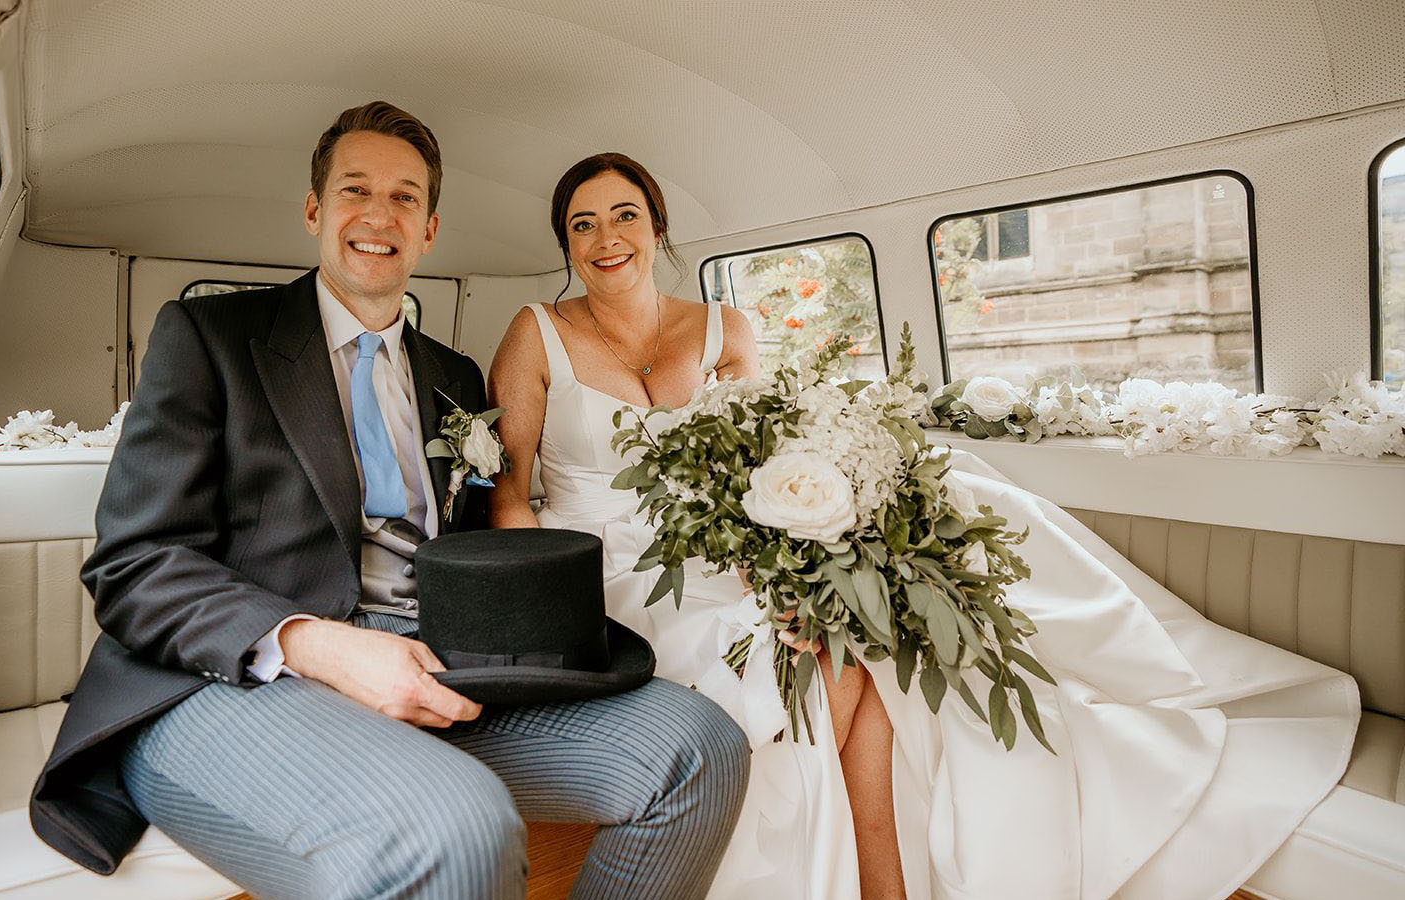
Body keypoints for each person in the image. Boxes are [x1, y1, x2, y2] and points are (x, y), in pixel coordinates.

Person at [486, 152, 1360, 899]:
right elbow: (512, 494)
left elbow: (762, 462)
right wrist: (550, 610)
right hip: (600, 562)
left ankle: (882, 878)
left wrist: (780, 564)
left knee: (859, 652)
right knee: (795, 674)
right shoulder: (535, 335)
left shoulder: (726, 326)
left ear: (658, 225)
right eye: (584, 225)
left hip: (723, 546)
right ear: (567, 244)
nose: (608, 240)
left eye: (625, 215)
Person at [29, 103, 751, 900]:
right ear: (314, 210)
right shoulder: (209, 337)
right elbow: (134, 564)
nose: (380, 215)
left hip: (437, 658)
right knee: (457, 827)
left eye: (405, 197)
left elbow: (483, 546)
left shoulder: (455, 379)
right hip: (237, 675)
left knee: (701, 749)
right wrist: (317, 645)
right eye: (355, 191)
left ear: (431, 228)